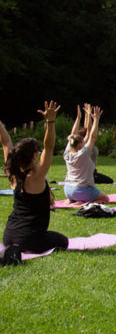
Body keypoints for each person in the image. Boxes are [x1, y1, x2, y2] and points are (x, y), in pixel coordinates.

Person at [3, 101, 68, 253]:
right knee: (63, 241)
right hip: (29, 239)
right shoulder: (37, 176)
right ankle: (27, 249)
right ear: (34, 156)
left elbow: (6, 142)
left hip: (9, 237)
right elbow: (49, 146)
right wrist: (50, 121)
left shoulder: (12, 174)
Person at [63, 105, 109, 204]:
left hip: (67, 189)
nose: (85, 142)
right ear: (80, 144)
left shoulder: (67, 152)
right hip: (81, 190)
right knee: (105, 199)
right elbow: (92, 136)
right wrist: (96, 119)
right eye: (83, 141)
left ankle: (72, 199)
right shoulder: (83, 154)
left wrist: (78, 118)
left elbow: (73, 133)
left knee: (77, 193)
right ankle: (83, 201)